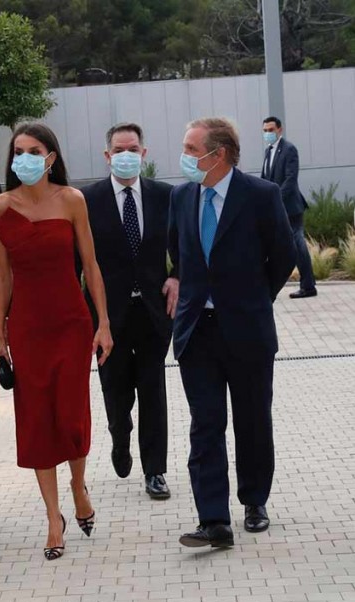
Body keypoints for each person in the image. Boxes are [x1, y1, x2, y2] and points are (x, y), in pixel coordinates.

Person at [0, 121, 113, 561]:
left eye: (34, 151)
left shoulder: (72, 200)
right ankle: (53, 519)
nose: (24, 158)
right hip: (27, 328)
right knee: (37, 420)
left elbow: (91, 266)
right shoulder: (0, 207)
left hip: (71, 324)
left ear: (51, 158)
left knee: (72, 417)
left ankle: (78, 486)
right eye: (18, 152)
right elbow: (3, 276)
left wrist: (103, 324)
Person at [169, 117, 296, 548]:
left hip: (246, 329)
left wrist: (254, 299)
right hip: (197, 332)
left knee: (252, 419)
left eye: (191, 149)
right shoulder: (181, 196)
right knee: (205, 424)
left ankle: (254, 501)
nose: (185, 156)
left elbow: (283, 255)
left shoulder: (260, 195)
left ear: (217, 154)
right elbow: (178, 253)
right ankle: (213, 520)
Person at [79, 123, 178, 500]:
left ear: (143, 153)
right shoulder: (87, 200)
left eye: (132, 149)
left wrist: (178, 275)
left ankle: (155, 470)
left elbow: (183, 243)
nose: (126, 155)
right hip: (107, 316)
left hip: (153, 311)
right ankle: (120, 436)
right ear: (107, 156)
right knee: (116, 390)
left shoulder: (164, 196)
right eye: (119, 150)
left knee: (153, 390)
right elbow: (77, 259)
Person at [261, 116, 317, 298]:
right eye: (265, 131)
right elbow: (265, 179)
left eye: (271, 130)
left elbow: (290, 179)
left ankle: (308, 286)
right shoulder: (268, 151)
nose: (268, 133)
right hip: (276, 206)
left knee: (297, 244)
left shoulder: (289, 149)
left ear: (280, 130)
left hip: (291, 206)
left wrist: (275, 199)